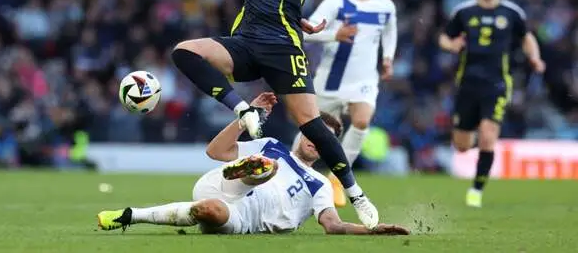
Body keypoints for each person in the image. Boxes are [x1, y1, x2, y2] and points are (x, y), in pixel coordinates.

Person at [169, 0, 399, 229]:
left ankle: (355, 193)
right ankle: (242, 108)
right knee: (184, 52)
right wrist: (298, 16)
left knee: (312, 125)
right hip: (245, 41)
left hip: (282, 49)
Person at [97, 92, 410, 236]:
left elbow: (332, 225)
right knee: (265, 162)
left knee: (208, 210)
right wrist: (246, 118)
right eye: (314, 134)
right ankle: (254, 171)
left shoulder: (320, 184)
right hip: (223, 181)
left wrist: (370, 231)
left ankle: (129, 215)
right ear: (304, 132)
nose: (317, 141)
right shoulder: (271, 145)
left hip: (242, 216)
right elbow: (216, 151)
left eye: (326, 140)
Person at [439, 0, 545, 208]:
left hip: (496, 84)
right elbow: (445, 36)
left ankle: (476, 189)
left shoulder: (512, 13)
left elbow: (526, 37)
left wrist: (535, 58)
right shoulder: (463, 11)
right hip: (467, 83)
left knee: (488, 136)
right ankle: (471, 133)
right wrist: (451, 45)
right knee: (462, 146)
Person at [298, 0, 397, 207]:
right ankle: (293, 174)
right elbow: (308, 31)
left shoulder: (385, 5)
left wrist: (387, 59)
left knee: (362, 121)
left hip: (364, 81)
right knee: (310, 132)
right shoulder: (337, 1)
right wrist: (335, 35)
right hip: (330, 80)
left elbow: (389, 33)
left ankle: (337, 181)